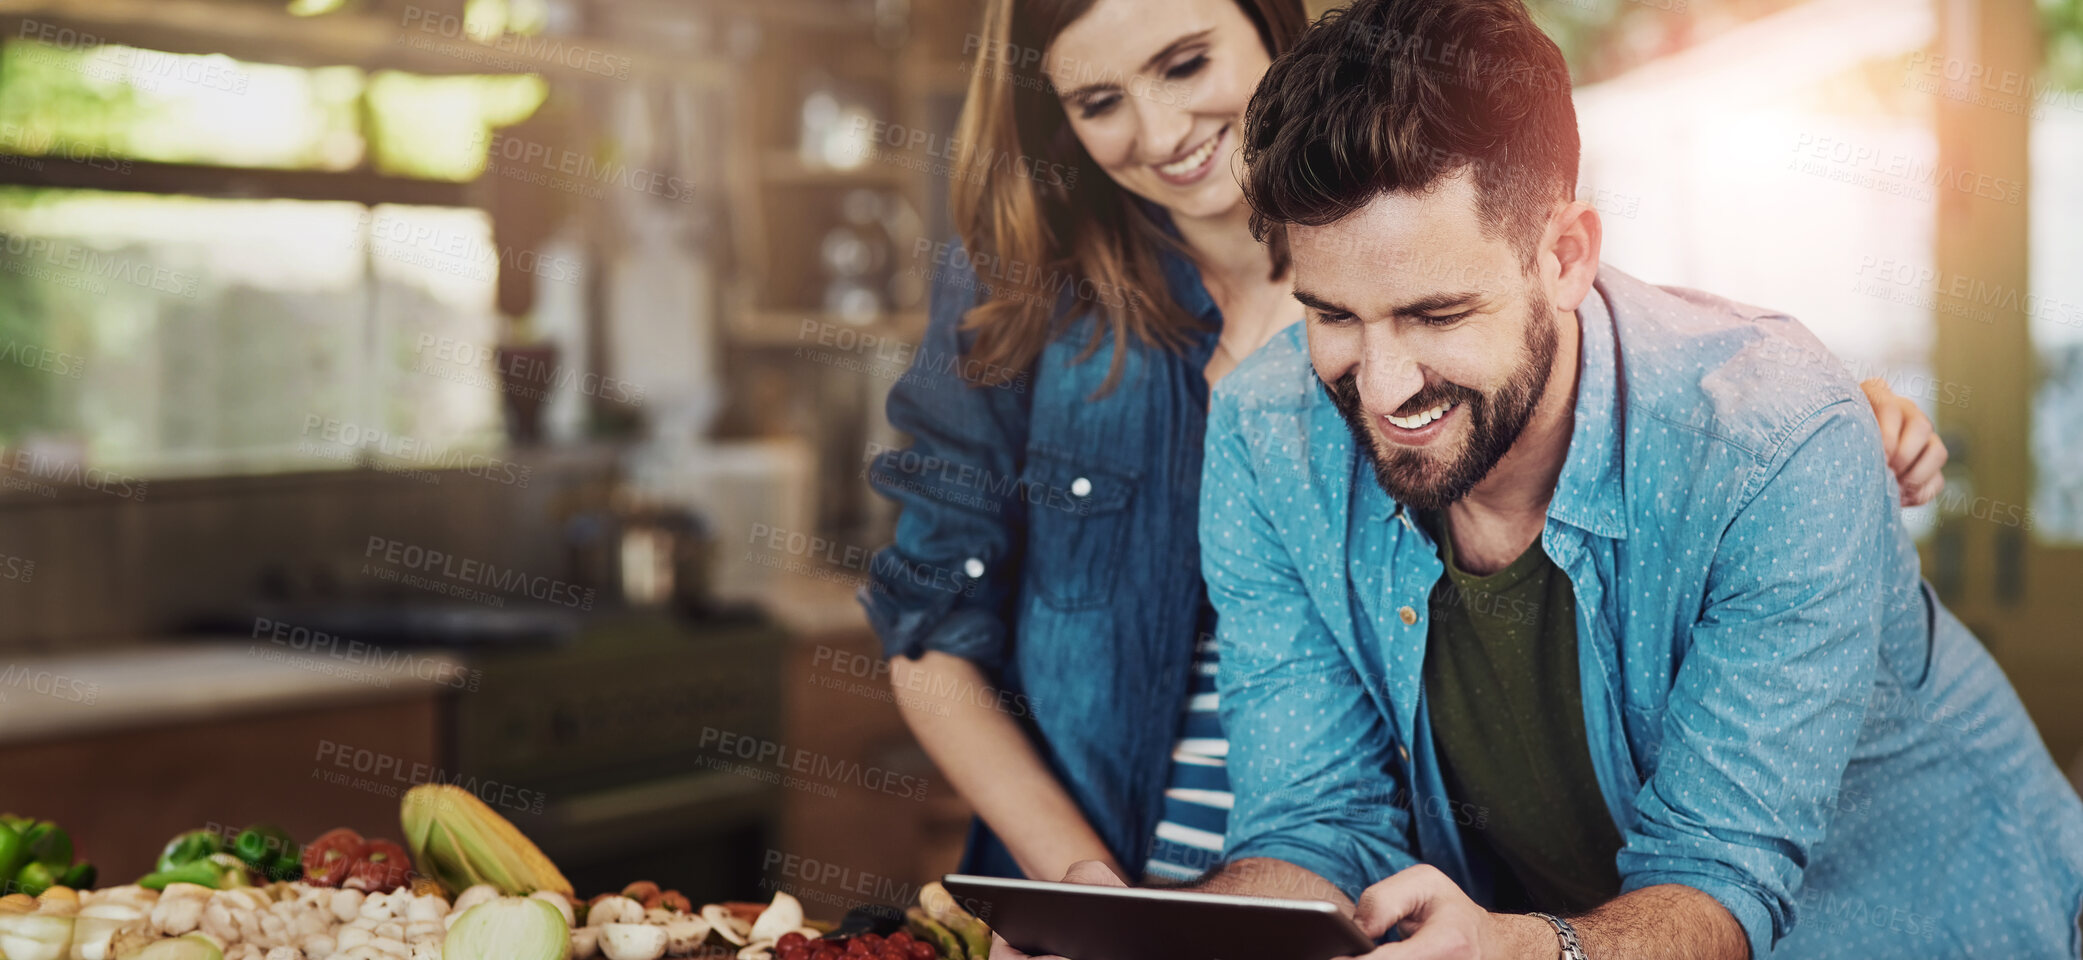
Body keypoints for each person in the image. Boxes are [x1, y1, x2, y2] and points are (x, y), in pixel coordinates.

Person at [860, 0, 1954, 899]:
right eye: (1098, 102)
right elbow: (928, 625)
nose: (1156, 131)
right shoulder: (1024, 299)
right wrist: (1089, 898)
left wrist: (1820, 412)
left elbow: (1620, 343)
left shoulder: (1437, 191)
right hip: (1143, 861)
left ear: (1268, 29)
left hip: (1380, 879)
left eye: (1186, 62)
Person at [1164, 0, 2083, 956]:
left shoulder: (1775, 437)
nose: (1383, 389)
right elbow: (1317, 825)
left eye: (1434, 314)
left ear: (1564, 256)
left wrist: (1526, 949)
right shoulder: (1265, 435)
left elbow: (1717, 875)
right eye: (1334, 317)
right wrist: (1161, 938)